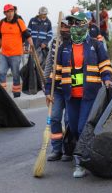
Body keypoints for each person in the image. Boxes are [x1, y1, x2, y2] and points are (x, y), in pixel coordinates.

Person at [53, 11, 112, 178]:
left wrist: (107, 78)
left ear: (85, 25)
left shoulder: (95, 45)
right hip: (70, 95)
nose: (73, 27)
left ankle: (81, 162)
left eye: (77, 24)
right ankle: (89, 153)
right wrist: (50, 89)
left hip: (89, 94)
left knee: (82, 128)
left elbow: (105, 64)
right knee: (73, 127)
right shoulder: (64, 47)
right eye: (71, 24)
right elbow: (57, 71)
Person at [44, 20, 72, 162]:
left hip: (71, 89)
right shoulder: (55, 42)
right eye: (62, 26)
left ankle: (69, 149)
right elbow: (49, 63)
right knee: (54, 117)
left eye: (67, 26)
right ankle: (56, 149)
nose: (64, 29)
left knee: (69, 120)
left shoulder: (75, 42)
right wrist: (47, 89)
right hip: (57, 89)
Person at [0, 4, 34, 98]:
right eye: (7, 12)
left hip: (16, 54)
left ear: (14, 11)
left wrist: (31, 46)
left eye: (11, 11)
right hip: (4, 54)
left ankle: (16, 93)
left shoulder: (19, 22)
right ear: (4, 13)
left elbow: (27, 35)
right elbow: (0, 38)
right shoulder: (1, 23)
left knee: (15, 74)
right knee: (1, 71)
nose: (10, 13)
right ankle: (3, 93)